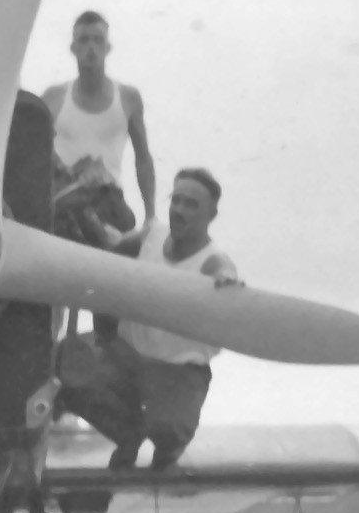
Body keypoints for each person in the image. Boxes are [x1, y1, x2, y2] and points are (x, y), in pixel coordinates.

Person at [71, 167, 244, 471]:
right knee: (69, 370)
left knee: (168, 431)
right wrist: (85, 209)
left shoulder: (212, 260)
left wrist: (228, 279)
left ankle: (168, 451)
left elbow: (224, 269)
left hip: (176, 372)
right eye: (176, 200)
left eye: (191, 204)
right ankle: (128, 436)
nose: (179, 210)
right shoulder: (154, 233)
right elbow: (115, 244)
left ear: (211, 215)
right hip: (128, 357)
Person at [41, 12, 155, 242]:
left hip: (109, 203)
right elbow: (34, 153)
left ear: (108, 47)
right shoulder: (53, 98)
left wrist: (150, 216)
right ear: (73, 48)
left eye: (98, 40)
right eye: (84, 40)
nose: (91, 48)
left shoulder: (128, 98)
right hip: (63, 205)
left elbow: (143, 157)